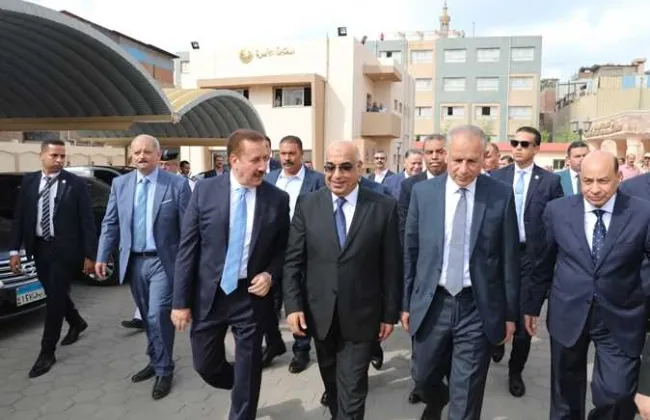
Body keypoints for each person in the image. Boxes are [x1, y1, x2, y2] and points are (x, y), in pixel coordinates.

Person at [171, 129, 290, 420]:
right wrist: (180, 302)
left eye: (266, 159)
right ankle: (244, 384)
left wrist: (270, 275)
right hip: (209, 296)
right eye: (255, 160)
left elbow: (284, 249)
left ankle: (244, 403)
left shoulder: (277, 199)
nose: (263, 167)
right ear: (234, 160)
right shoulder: (205, 191)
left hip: (250, 297)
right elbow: (188, 249)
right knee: (206, 366)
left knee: (248, 366)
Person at [403, 125, 520, 420]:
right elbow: (411, 251)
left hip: (476, 306)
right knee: (422, 374)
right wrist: (404, 303)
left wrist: (510, 314)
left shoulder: (500, 195)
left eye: (472, 161)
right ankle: (437, 398)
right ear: (446, 155)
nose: (464, 169)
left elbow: (509, 258)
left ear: (484, 158)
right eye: (457, 160)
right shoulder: (423, 193)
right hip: (433, 302)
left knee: (466, 393)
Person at [524, 150, 650, 420]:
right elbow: (543, 262)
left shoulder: (642, 213)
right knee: (565, 400)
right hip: (568, 313)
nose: (594, 189)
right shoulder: (557, 211)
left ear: (619, 177)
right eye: (587, 181)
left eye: (603, 181)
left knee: (617, 395)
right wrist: (531, 306)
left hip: (621, 316)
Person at [283, 141, 402, 419]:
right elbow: (293, 261)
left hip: (362, 317)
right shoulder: (307, 205)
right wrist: (293, 306)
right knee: (333, 386)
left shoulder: (383, 207)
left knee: (353, 390)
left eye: (345, 167)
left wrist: (389, 314)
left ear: (360, 168)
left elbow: (391, 265)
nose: (336, 175)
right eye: (330, 167)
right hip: (320, 316)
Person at [96, 134, 191, 400]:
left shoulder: (176, 184)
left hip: (164, 261)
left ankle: (164, 369)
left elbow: (188, 229)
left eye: (147, 152)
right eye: (136, 152)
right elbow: (111, 222)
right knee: (148, 318)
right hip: (134, 261)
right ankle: (155, 358)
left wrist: (189, 268)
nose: (141, 156)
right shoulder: (120, 184)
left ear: (158, 155)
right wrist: (102, 255)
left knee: (157, 314)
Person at [9, 139, 97, 378]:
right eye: (54, 155)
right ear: (41, 155)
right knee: (54, 293)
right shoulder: (30, 182)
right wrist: (15, 250)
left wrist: (90, 255)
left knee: (55, 299)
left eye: (62, 156)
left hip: (64, 250)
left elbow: (87, 221)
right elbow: (20, 217)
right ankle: (76, 321)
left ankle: (47, 351)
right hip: (38, 248)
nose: (59, 160)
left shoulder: (75, 184)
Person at [489, 126, 564, 397]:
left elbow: (557, 221)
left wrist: (550, 257)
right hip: (499, 256)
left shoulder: (550, 182)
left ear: (536, 148)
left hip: (530, 259)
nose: (518, 148)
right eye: (514, 143)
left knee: (524, 323)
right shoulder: (496, 177)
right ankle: (497, 341)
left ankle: (515, 370)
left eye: (524, 144)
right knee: (496, 309)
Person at [264, 135, 325, 373]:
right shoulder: (269, 179)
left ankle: (301, 350)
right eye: (283, 153)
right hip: (273, 250)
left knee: (298, 299)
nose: (287, 158)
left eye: (291, 153)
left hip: (304, 250)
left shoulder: (317, 180)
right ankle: (273, 343)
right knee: (270, 301)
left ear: (301, 154)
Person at [397, 134, 450, 406]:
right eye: (429, 152)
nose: (435, 157)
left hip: (449, 276)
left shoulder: (457, 183)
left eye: (440, 151)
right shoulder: (411, 186)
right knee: (421, 337)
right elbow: (406, 229)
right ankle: (421, 384)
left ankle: (443, 385)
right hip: (421, 272)